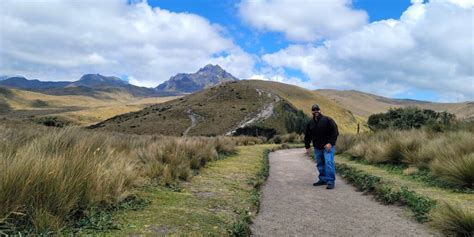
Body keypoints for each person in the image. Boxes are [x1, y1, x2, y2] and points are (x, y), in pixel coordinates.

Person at [304, 104, 339, 189]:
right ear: (312, 111)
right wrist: (307, 146)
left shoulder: (328, 120)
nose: (316, 111)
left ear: (320, 110)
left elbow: (335, 132)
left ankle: (330, 181)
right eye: (314, 109)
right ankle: (323, 179)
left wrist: (330, 143)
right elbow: (307, 136)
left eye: (317, 109)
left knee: (328, 163)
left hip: (328, 147)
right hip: (317, 147)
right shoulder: (310, 123)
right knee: (320, 164)